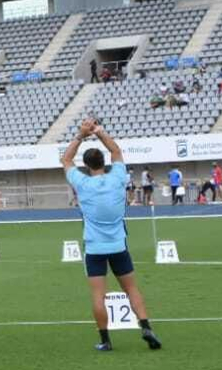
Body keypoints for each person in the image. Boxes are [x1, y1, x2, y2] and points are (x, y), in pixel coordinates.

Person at [61, 119, 161, 352]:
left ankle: (105, 340)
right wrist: (98, 132)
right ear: (104, 162)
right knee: (132, 289)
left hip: (95, 247)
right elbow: (116, 150)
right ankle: (146, 326)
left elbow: (66, 160)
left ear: (86, 165)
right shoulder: (117, 177)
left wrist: (80, 135)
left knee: (99, 295)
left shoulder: (82, 183)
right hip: (118, 245)